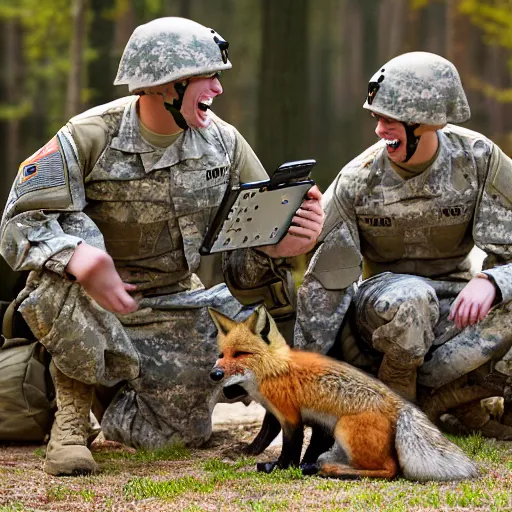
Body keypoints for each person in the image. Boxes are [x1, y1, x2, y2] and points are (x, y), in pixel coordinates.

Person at [0, 17, 324, 475]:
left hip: (172, 301)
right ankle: (70, 422)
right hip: (85, 298)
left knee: (179, 436)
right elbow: (19, 223)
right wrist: (82, 259)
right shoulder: (90, 136)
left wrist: (288, 238)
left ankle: (108, 384)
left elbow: (256, 232)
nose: (218, 88)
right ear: (166, 85)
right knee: (67, 252)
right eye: (208, 76)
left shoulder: (223, 142)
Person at [295, 52, 512, 436]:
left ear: (427, 122)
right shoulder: (357, 180)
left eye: (389, 120)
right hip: (384, 313)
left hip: (455, 311)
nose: (379, 130)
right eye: (376, 118)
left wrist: (494, 281)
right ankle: (398, 418)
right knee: (412, 298)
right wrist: (309, 382)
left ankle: (472, 402)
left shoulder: (478, 161)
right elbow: (324, 287)